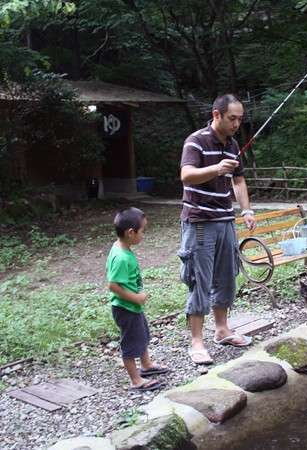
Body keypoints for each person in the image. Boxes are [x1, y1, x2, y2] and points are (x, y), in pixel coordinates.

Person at [179, 94, 257, 365]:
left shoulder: (233, 144)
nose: (237, 124)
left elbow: (238, 181)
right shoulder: (196, 141)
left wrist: (246, 210)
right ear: (217, 115)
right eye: (232, 118)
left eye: (240, 119)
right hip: (200, 221)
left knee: (226, 276)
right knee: (200, 280)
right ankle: (197, 342)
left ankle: (222, 330)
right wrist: (215, 168)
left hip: (225, 220)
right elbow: (186, 174)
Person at [106, 207, 169, 391]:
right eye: (143, 231)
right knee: (131, 343)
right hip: (125, 307)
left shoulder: (121, 247)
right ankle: (136, 380)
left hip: (132, 306)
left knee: (141, 335)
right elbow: (113, 285)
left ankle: (147, 365)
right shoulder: (121, 258)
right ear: (130, 232)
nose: (144, 235)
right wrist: (136, 298)